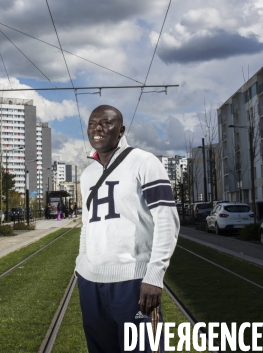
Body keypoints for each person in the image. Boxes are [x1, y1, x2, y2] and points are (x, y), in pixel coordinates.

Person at [76, 105, 179, 353]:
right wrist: (81, 263)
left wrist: (155, 276)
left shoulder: (144, 162)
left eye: (106, 123)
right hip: (91, 283)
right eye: (92, 123)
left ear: (121, 131)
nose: (97, 128)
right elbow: (87, 224)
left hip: (133, 282)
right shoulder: (87, 174)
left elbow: (167, 220)